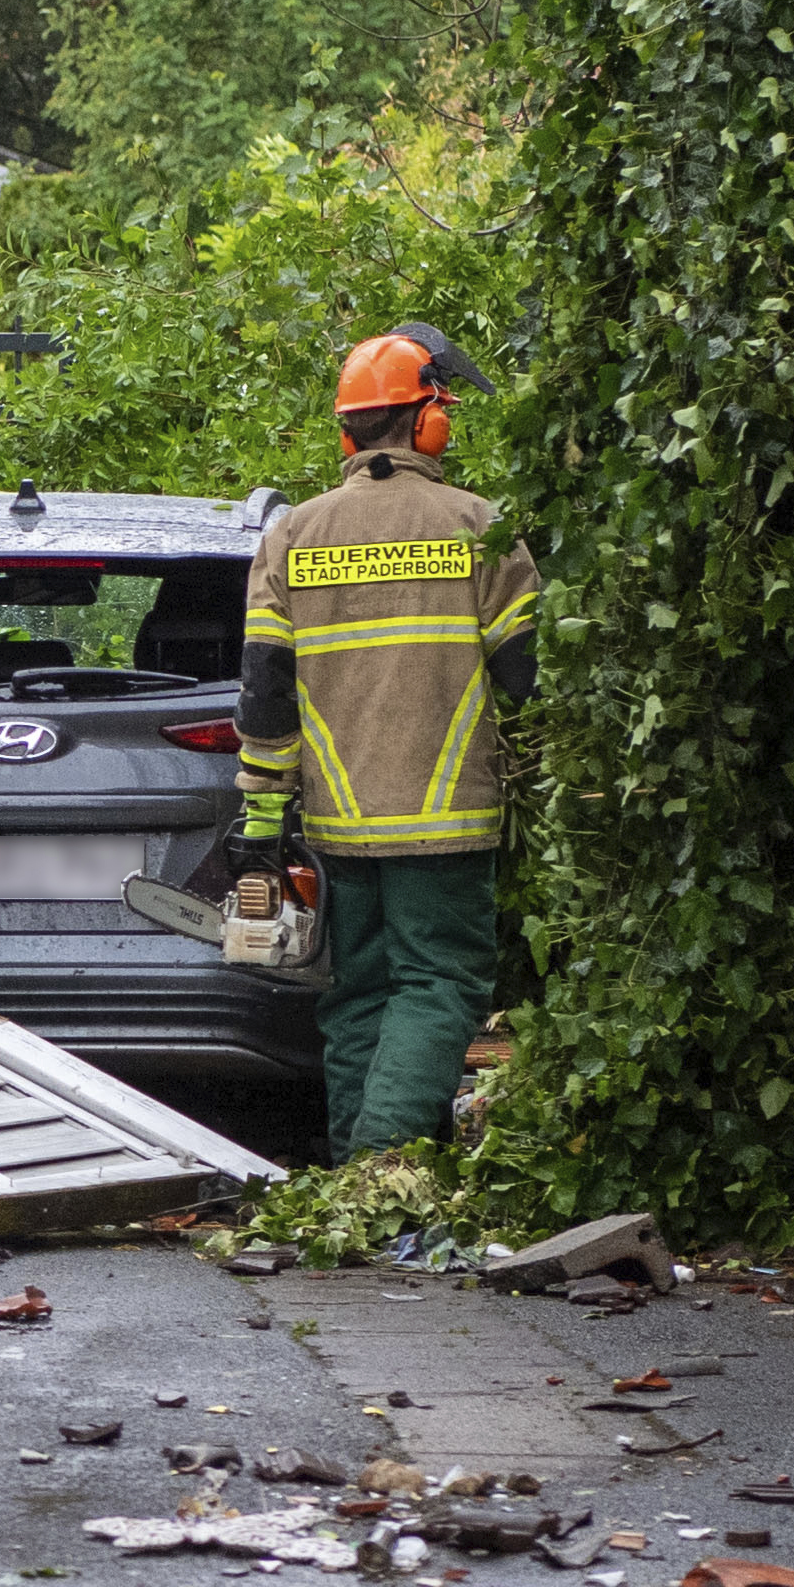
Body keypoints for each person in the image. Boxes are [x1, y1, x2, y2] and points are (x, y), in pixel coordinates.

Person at [234, 324, 539, 1160]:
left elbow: (265, 696)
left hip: (336, 818)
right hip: (450, 817)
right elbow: (530, 681)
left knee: (359, 991)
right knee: (439, 983)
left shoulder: (290, 538)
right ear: (430, 421)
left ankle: (347, 1174)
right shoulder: (480, 527)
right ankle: (382, 1167)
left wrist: (263, 820)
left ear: (347, 430)